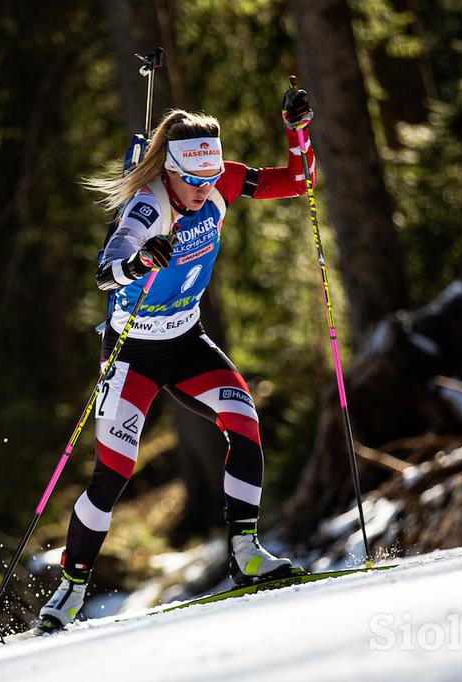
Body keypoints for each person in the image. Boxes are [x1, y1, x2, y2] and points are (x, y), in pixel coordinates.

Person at [38, 89, 316, 631]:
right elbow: (105, 271)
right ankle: (71, 589)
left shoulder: (220, 181)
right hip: (133, 351)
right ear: (169, 170)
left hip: (186, 341)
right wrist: (141, 259)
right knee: (113, 475)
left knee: (245, 422)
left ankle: (245, 552)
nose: (202, 190)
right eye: (192, 181)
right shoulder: (148, 203)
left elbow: (298, 181)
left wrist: (298, 132)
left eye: (210, 180)